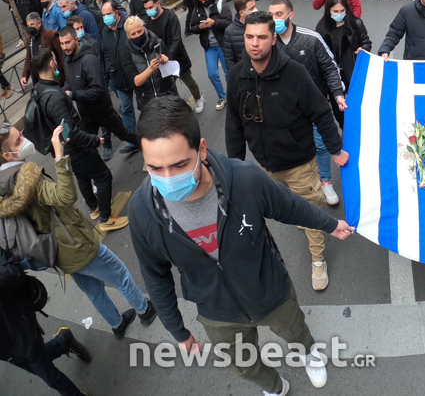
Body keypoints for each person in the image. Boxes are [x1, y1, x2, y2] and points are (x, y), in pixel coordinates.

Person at [131, 96, 354, 395]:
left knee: (296, 332)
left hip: (270, 291)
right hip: (217, 312)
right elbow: (155, 276)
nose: (168, 179)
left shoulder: (244, 179)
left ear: (201, 149)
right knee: (243, 364)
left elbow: (288, 206)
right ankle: (275, 387)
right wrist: (178, 330)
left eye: (180, 164)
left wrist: (329, 224)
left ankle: (309, 354)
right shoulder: (142, 211)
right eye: (155, 168)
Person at [226, 11, 350, 292]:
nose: (254, 43)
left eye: (261, 37)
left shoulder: (294, 73)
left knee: (311, 211)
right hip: (265, 168)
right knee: (274, 211)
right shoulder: (237, 76)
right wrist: (234, 168)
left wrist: (335, 149)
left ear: (273, 39)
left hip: (298, 164)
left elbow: (321, 111)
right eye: (249, 37)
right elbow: (234, 125)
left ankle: (318, 260)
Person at [28, 48, 129, 232]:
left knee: (81, 175)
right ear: (52, 64)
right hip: (76, 149)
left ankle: (93, 207)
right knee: (104, 176)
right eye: (54, 59)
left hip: (64, 149)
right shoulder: (55, 97)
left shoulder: (39, 89)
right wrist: (93, 140)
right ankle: (106, 218)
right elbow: (71, 132)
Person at [268, 0, 346, 205]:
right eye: (271, 15)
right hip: (283, 111)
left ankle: (325, 181)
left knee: (320, 145)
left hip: (313, 106)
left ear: (290, 15)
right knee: (295, 149)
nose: (274, 19)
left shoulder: (311, 39)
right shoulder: (268, 43)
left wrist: (337, 93)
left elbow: (330, 67)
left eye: (279, 15)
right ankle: (300, 190)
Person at [0, 246, 91, 396]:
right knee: (39, 366)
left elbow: (14, 271)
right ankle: (63, 341)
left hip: (20, 329)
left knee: (50, 376)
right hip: (6, 350)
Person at [59, 24, 139, 169]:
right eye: (62, 43)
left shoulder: (89, 60)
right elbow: (71, 83)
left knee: (126, 135)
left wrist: (73, 94)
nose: (64, 47)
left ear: (76, 39)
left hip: (103, 112)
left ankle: (150, 151)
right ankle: (99, 177)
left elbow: (98, 90)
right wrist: (62, 91)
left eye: (67, 42)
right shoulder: (67, 59)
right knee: (88, 148)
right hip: (86, 114)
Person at [143, 0, 204, 113]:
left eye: (150, 7)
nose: (148, 11)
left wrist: (168, 56)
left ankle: (198, 98)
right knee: (168, 87)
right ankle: (175, 109)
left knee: (188, 80)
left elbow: (176, 39)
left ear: (158, 3)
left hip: (176, 58)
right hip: (160, 61)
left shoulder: (170, 17)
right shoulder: (147, 22)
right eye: (146, 8)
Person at [314, 0, 372, 111]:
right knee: (338, 110)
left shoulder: (356, 24)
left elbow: (366, 42)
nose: (339, 14)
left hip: (352, 71)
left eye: (342, 11)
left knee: (356, 106)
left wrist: (364, 49)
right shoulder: (321, 28)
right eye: (335, 11)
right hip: (333, 74)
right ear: (329, 10)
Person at [100, 1, 138, 150]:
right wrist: (109, 68)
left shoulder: (129, 25)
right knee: (126, 109)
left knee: (145, 106)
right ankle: (132, 141)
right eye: (103, 15)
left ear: (116, 13)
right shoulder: (105, 31)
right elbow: (106, 52)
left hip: (135, 74)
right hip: (118, 78)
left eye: (108, 14)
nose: (105, 18)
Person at [188, 0, 232, 111]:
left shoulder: (221, 5)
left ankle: (232, 95)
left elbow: (229, 23)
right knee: (212, 74)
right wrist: (200, 28)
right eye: (200, 1)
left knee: (229, 73)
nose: (203, 3)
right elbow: (193, 27)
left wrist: (214, 23)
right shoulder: (197, 10)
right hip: (209, 47)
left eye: (205, 0)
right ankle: (222, 96)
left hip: (223, 44)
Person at [121, 16, 177, 111]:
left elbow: (172, 71)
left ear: (144, 29)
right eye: (133, 34)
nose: (138, 35)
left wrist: (165, 62)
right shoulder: (126, 53)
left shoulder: (158, 43)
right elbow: (136, 81)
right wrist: (151, 69)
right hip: (148, 103)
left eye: (139, 31)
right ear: (128, 36)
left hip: (167, 97)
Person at [22, 13, 66, 88]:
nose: (30, 27)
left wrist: (66, 77)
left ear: (39, 23)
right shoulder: (29, 40)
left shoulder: (51, 35)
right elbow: (28, 59)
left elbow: (62, 56)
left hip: (54, 79)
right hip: (39, 80)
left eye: (32, 24)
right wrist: (25, 75)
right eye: (28, 25)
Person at [222, 0, 256, 72]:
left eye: (255, 6)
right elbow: (229, 59)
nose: (255, 10)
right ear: (241, 13)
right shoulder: (230, 32)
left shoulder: (262, 24)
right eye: (251, 8)